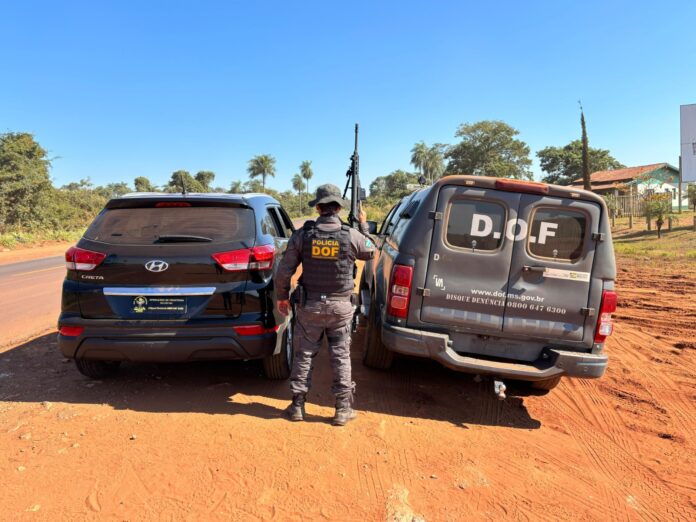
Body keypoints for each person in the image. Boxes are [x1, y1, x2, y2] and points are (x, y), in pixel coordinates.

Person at [275, 184, 375, 426]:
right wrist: (363, 225)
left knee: (304, 354)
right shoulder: (351, 235)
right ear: (338, 208)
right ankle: (342, 409)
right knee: (340, 356)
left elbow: (284, 270)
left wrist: (282, 297)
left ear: (318, 208)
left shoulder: (303, 235)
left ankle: (297, 406)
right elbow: (371, 251)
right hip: (340, 308)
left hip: (310, 307)